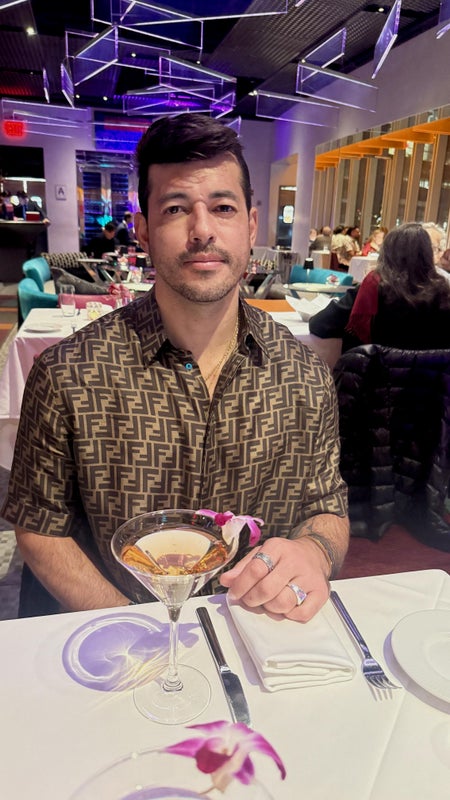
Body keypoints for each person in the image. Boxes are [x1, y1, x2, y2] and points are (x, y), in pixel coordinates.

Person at [2, 113, 349, 623]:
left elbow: (327, 507)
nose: (202, 230)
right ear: (143, 229)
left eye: (223, 208)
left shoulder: (305, 374)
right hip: (120, 635)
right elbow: (39, 526)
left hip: (252, 637)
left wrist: (314, 552)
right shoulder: (67, 374)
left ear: (251, 225)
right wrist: (132, 625)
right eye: (176, 208)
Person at [310, 222, 450, 352]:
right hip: (429, 372)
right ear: (427, 254)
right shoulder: (444, 292)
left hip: (375, 370)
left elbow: (319, 324)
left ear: (386, 252)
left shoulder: (374, 286)